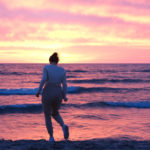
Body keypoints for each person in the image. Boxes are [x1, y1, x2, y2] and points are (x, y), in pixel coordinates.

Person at [35, 52, 69, 142]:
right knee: (55, 113)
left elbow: (43, 79)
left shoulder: (46, 67)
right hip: (58, 93)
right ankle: (63, 125)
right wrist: (64, 96)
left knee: (47, 115)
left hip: (48, 92)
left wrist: (38, 91)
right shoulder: (62, 70)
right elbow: (65, 85)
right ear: (57, 61)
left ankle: (51, 137)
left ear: (50, 61)